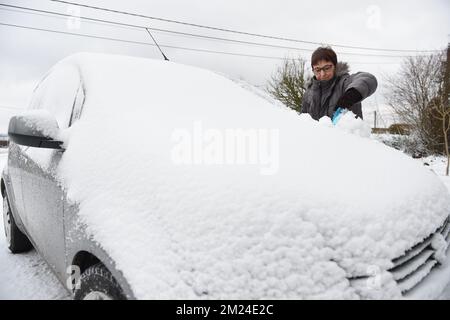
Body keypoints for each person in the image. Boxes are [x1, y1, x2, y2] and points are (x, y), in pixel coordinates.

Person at [301, 46, 378, 121]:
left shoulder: (345, 83)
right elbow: (304, 123)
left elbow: (368, 79)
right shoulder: (308, 94)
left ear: (335, 66)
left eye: (327, 68)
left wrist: (352, 94)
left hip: (347, 134)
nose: (322, 74)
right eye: (317, 69)